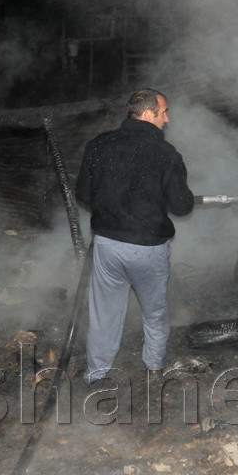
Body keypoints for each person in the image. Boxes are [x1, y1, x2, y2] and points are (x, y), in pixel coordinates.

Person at [75, 88, 194, 384]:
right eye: (164, 112)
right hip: (147, 249)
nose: (167, 119)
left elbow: (84, 193)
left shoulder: (98, 145)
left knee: (104, 314)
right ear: (148, 114)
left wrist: (113, 206)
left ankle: (96, 374)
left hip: (107, 246)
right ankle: (153, 369)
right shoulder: (166, 154)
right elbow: (182, 206)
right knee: (155, 313)